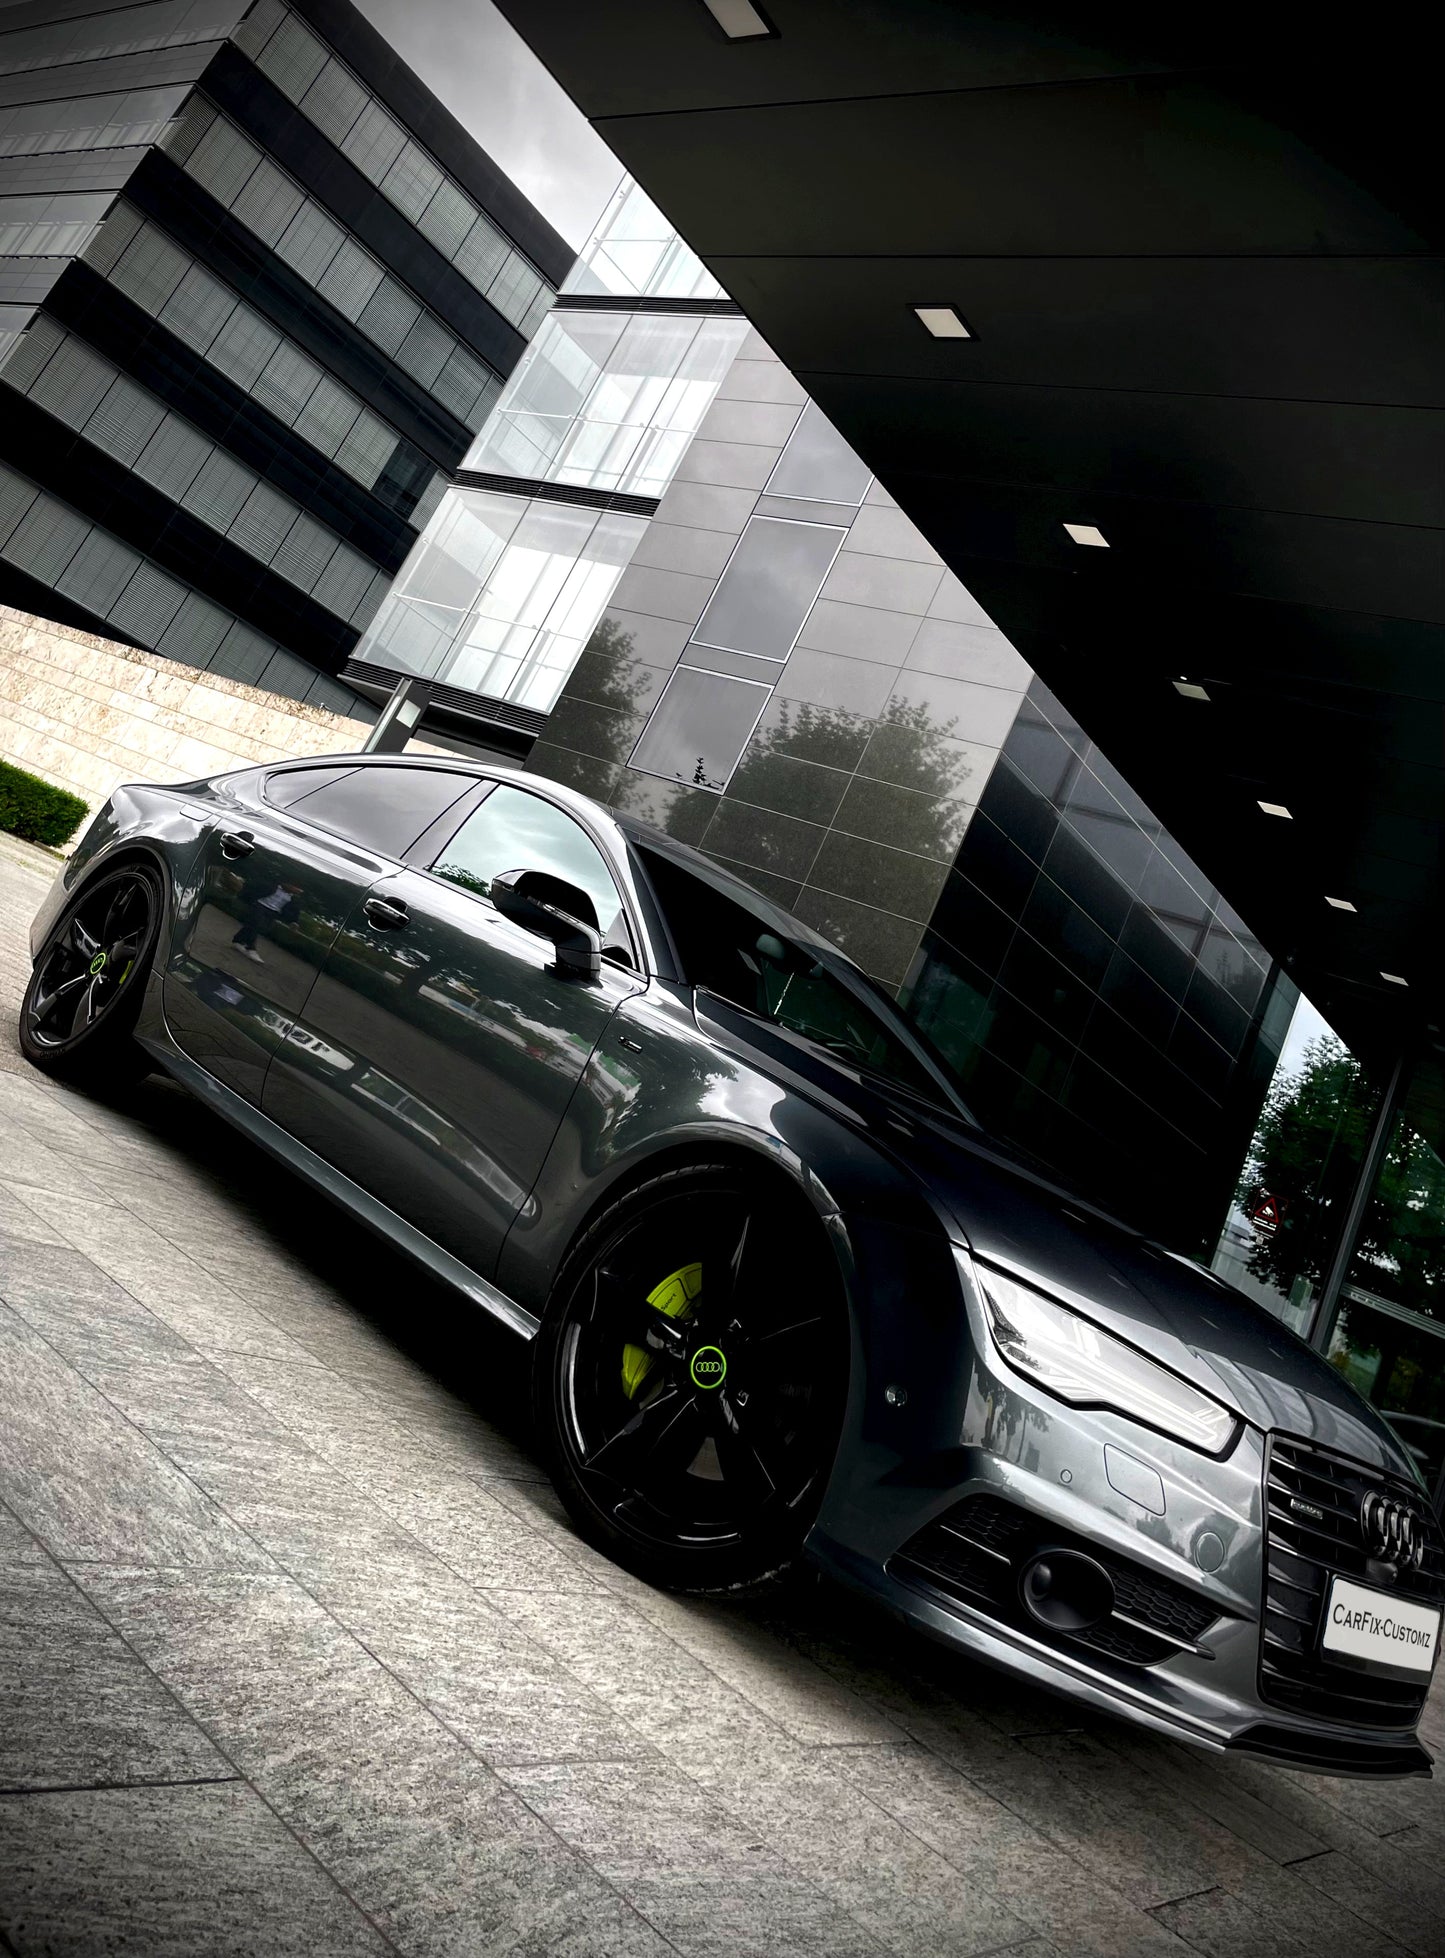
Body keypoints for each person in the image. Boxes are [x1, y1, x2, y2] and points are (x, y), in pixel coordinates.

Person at [232, 880, 302, 964]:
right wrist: (244, 897)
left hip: (273, 912)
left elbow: (295, 910)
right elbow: (254, 889)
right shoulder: (272, 886)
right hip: (260, 905)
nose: (297, 891)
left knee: (260, 927)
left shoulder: (293, 898)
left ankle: (238, 940)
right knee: (256, 924)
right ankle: (251, 948)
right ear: (289, 884)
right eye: (296, 888)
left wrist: (294, 921)